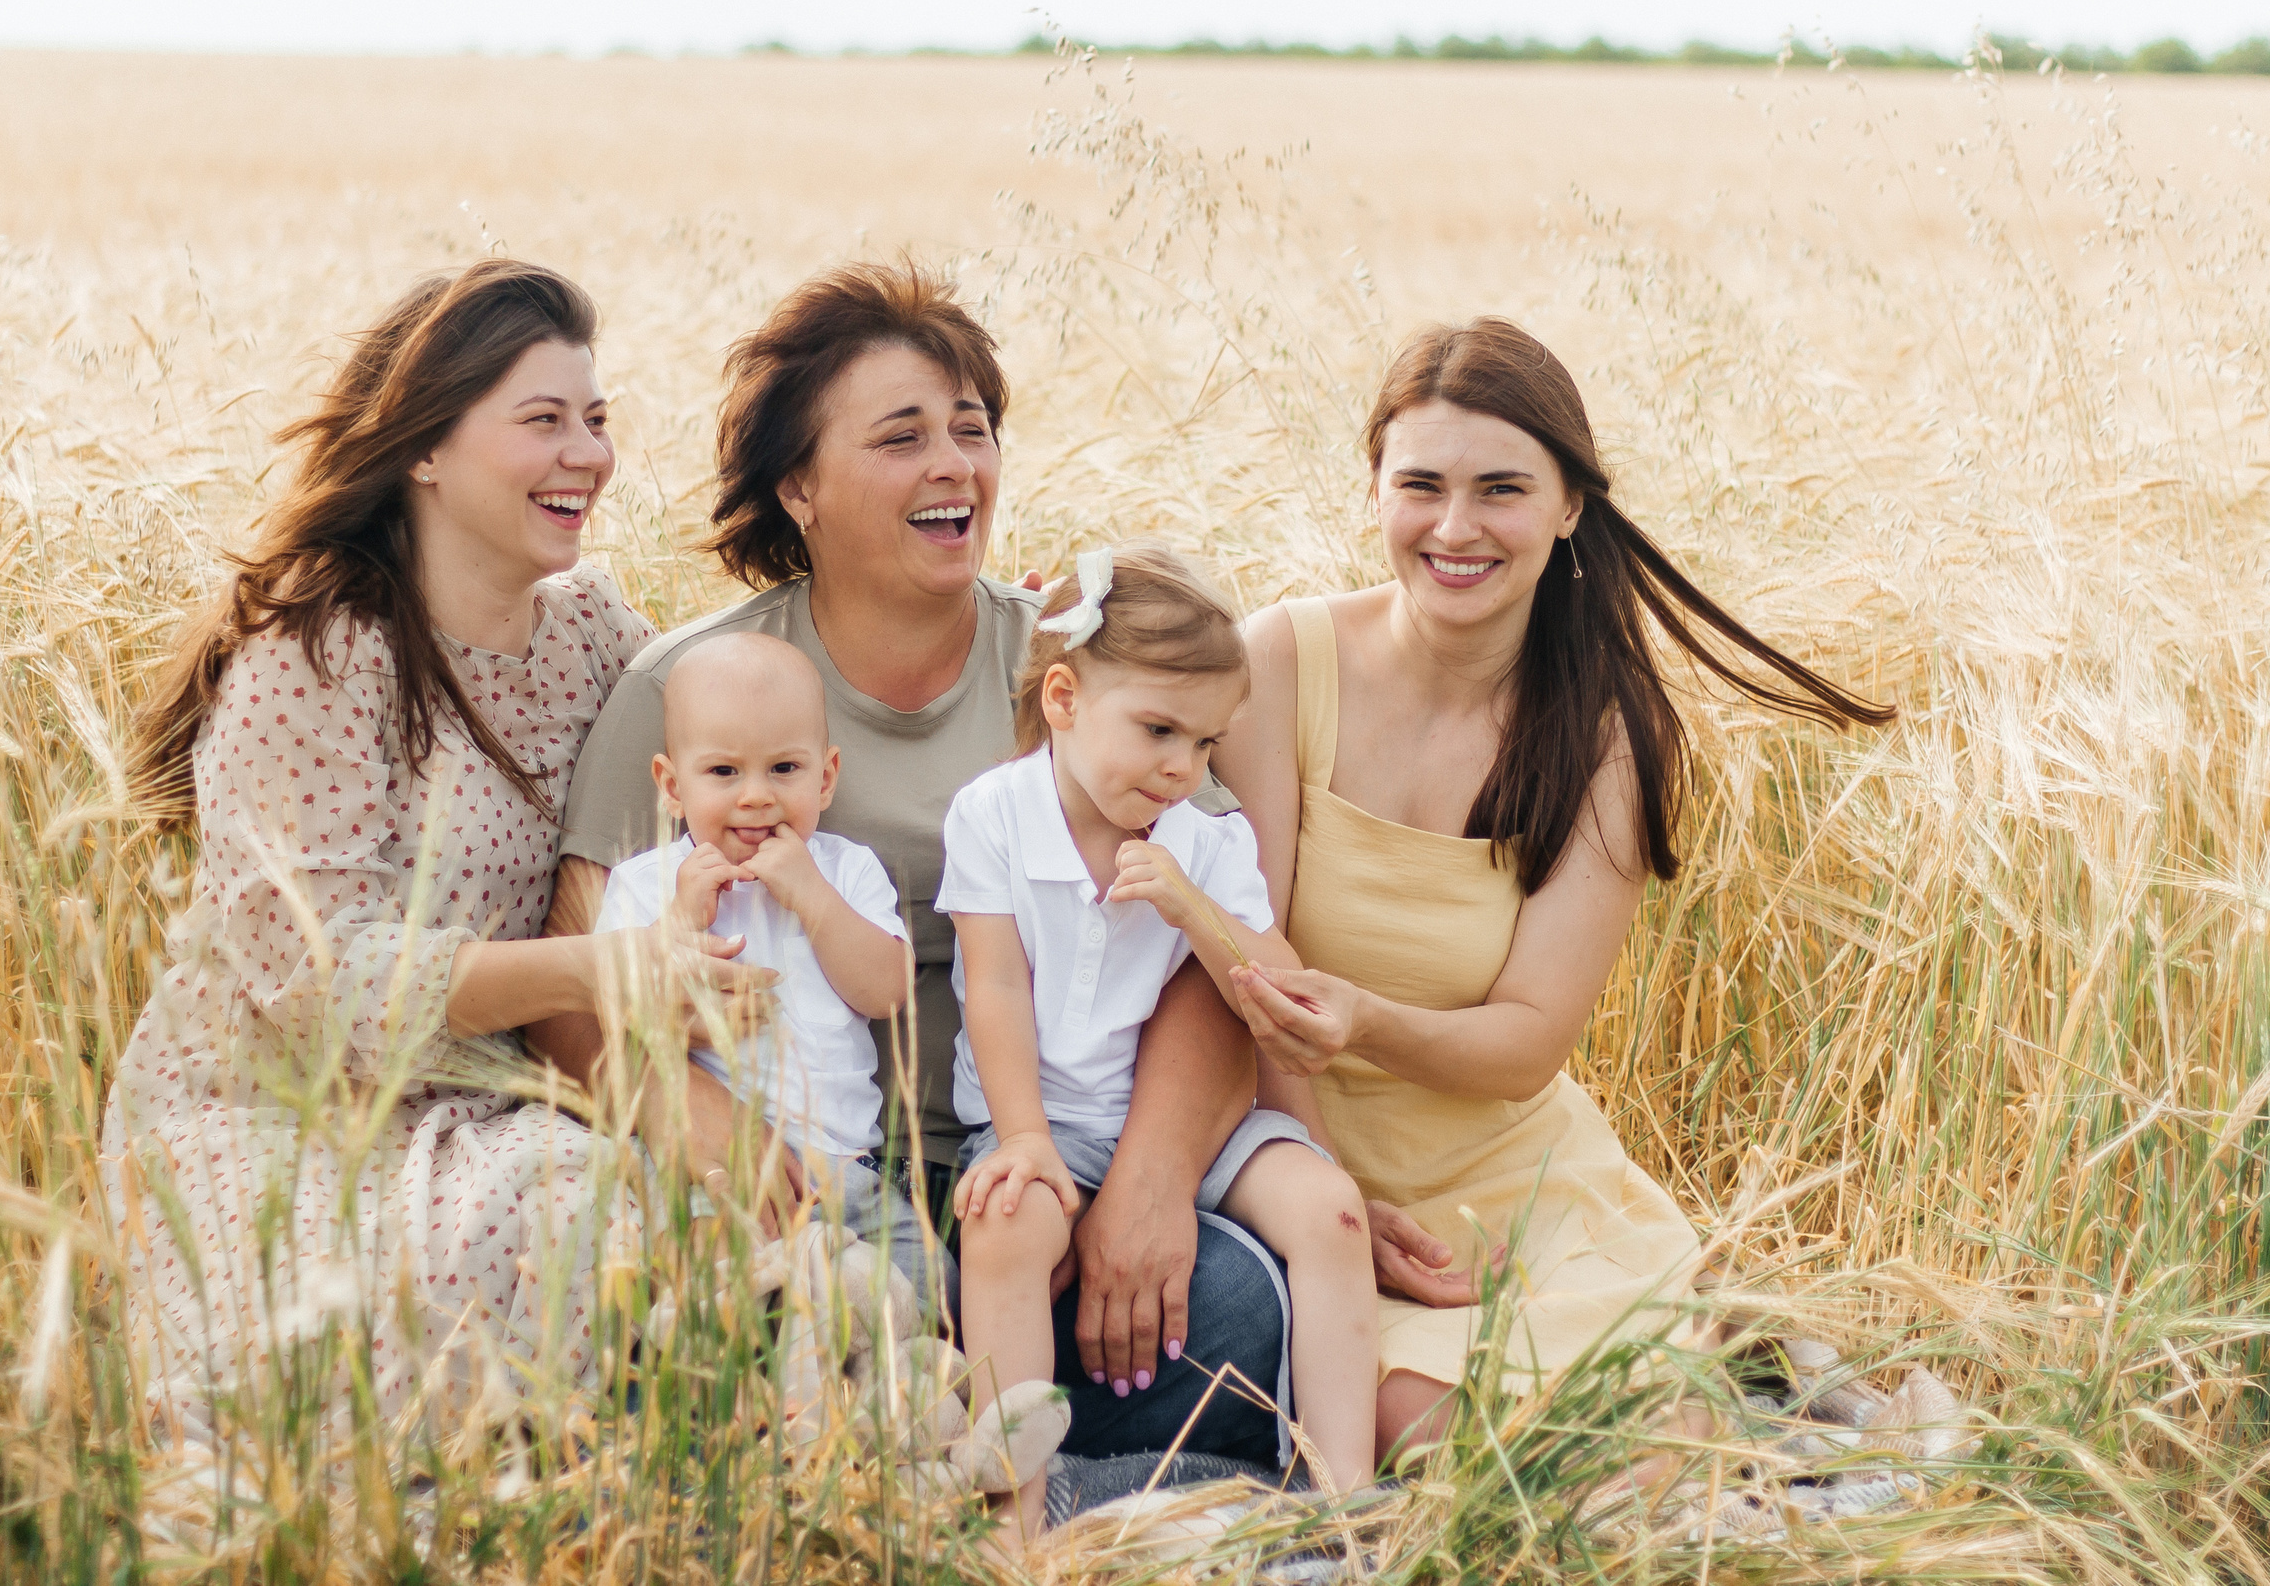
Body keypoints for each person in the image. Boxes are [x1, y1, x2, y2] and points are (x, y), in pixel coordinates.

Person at [534, 262, 1300, 1462]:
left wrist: (1148, 1184)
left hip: (1038, 1174)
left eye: (973, 430)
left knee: (1240, 1313)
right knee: (674, 1328)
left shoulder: (1073, 661)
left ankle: (947, 1441)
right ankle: (959, 1445)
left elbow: (1207, 950)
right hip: (799, 1177)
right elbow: (581, 993)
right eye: (901, 437)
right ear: (800, 485)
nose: (954, 464)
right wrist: (721, 1141)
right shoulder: (692, 692)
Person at [1212, 317, 1897, 1463]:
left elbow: (1528, 1042)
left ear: (1569, 505)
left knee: (1553, 1437)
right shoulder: (1277, 664)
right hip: (1301, 1160)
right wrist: (1329, 1196)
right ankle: (1725, 1360)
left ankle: (1712, 1354)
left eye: (1501, 490)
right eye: (1419, 484)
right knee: (1413, 1425)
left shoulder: (1605, 736)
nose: (1455, 526)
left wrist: (1366, 1017)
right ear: (1374, 487)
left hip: (1510, 1180)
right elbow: (1248, 970)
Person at [103, 259, 768, 1431]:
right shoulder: (309, 657)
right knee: (383, 1330)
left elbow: (748, 742)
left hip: (483, 1105)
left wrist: (980, 642)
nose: (589, 455)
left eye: (597, 420)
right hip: (274, 1116)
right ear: (424, 449)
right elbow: (317, 984)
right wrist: (595, 973)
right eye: (544, 421)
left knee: (623, 1224)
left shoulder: (591, 629)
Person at [944, 544, 1379, 1510]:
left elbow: (1280, 994)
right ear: (1063, 699)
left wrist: (1196, 911)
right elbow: (995, 991)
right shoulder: (993, 818)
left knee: (1332, 1210)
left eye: (1208, 743)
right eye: (1158, 730)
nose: (1184, 766)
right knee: (1005, 1226)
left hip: (1190, 1131)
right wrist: (1023, 1138)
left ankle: (1347, 1499)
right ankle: (1015, 1514)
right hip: (1044, 1116)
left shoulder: (1203, 841)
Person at [593, 632, 943, 1301]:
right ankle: (771, 1374)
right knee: (724, 1285)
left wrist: (812, 895)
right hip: (715, 1175)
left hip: (850, 1176)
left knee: (933, 1284)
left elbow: (886, 989)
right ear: (671, 785)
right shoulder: (645, 885)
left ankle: (905, 1384)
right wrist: (679, 925)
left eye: (784, 769)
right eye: (724, 772)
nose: (756, 796)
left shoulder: (845, 870)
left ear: (826, 776)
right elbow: (619, 1013)